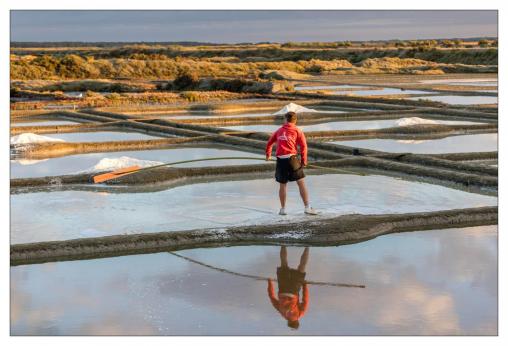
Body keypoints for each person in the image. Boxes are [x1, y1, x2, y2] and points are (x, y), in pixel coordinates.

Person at [265, 111, 318, 215]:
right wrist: (304, 161)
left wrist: (268, 155)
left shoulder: (279, 131)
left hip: (281, 159)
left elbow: (269, 143)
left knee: (283, 185)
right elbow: (303, 147)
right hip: (292, 158)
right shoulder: (297, 130)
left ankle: (283, 209)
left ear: (285, 119)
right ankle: (307, 207)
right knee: (301, 183)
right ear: (295, 120)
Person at [267, 246, 310, 330]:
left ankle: (307, 246)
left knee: (302, 267)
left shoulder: (299, 315)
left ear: (297, 321)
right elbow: (271, 297)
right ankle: (283, 243)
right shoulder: (282, 313)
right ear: (288, 322)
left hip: (293, 291)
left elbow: (305, 299)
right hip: (283, 289)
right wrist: (270, 282)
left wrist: (305, 285)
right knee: (283, 263)